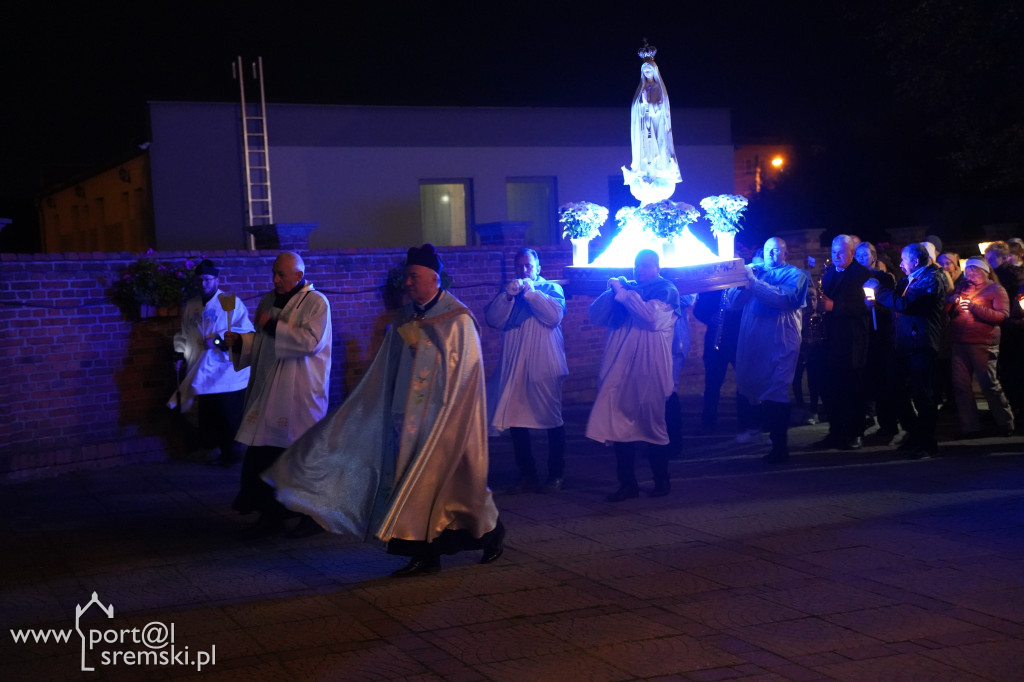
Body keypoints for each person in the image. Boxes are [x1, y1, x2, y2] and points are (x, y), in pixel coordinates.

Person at [264, 244, 504, 577]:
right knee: (421, 487)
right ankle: (430, 553)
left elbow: (466, 377)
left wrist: (427, 353)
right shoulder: (406, 316)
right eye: (407, 277)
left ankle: (482, 538)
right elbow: (388, 367)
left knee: (452, 487)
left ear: (434, 278)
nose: (408, 283)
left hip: (443, 421)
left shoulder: (457, 320)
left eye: (415, 277)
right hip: (405, 418)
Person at [224, 251, 332, 539]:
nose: (275, 279)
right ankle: (270, 514)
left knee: (297, 457)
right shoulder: (269, 301)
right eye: (274, 273)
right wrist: (240, 342)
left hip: (299, 393)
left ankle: (311, 515)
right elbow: (262, 342)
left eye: (281, 274)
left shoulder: (316, 303)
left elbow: (310, 342)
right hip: (271, 391)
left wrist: (271, 325)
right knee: (264, 456)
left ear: (299, 275)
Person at [586, 249, 680, 501]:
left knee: (653, 424)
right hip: (621, 367)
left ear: (657, 267)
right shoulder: (626, 291)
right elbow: (595, 314)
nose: (641, 269)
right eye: (637, 264)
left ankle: (661, 479)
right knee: (619, 425)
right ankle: (628, 484)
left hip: (650, 367)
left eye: (647, 265)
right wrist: (612, 291)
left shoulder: (666, 290)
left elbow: (650, 318)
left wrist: (624, 293)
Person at [485, 248, 568, 493]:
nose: (524, 270)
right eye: (519, 266)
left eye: (528, 266)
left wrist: (531, 294)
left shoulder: (551, 289)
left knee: (551, 417)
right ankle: (527, 473)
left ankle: (556, 474)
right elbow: (493, 320)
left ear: (538, 268)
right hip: (514, 365)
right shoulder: (509, 292)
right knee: (515, 418)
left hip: (543, 364)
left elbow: (553, 317)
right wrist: (506, 298)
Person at [169, 259, 254, 466]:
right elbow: (185, 332)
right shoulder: (192, 305)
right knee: (209, 414)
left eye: (208, 280)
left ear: (216, 279)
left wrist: (218, 340)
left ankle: (232, 454)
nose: (204, 284)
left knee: (228, 415)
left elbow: (244, 330)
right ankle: (214, 450)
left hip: (226, 371)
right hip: (202, 369)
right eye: (200, 280)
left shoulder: (230, 301)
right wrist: (179, 352)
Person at [870, 242, 951, 458]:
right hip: (903, 344)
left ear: (915, 261)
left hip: (921, 344)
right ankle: (914, 433)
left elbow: (905, 304)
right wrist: (877, 301)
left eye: (904, 260)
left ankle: (926, 442)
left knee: (922, 394)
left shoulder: (932, 279)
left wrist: (878, 290)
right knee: (894, 389)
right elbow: (897, 305)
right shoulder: (910, 279)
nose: (901, 264)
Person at [733, 237, 809, 463]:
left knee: (777, 388)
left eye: (777, 251)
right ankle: (761, 429)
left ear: (785, 254)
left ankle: (779, 446)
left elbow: (784, 298)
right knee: (753, 386)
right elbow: (732, 304)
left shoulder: (797, 275)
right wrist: (739, 283)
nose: (772, 255)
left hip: (781, 340)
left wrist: (752, 282)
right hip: (755, 341)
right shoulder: (756, 272)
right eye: (768, 251)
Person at [947, 257, 1015, 437]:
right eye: (968, 270)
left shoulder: (996, 289)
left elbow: (1001, 316)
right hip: (960, 342)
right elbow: (947, 311)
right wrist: (952, 301)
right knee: (961, 386)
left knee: (989, 384)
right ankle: (970, 427)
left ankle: (1005, 422)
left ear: (985, 271)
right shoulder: (962, 287)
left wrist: (973, 307)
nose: (970, 273)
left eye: (975, 270)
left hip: (983, 342)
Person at [818, 234, 872, 450]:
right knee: (832, 389)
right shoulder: (829, 274)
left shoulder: (862, 274)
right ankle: (836, 432)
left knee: (853, 388)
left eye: (841, 252)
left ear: (851, 252)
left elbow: (866, 306)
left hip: (852, 339)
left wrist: (835, 307)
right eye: (833, 252)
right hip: (831, 340)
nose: (836, 256)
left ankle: (855, 432)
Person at [621, 43, 681, 204]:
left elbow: (662, 109)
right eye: (645, 71)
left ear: (654, 71)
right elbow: (635, 109)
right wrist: (641, 107)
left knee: (658, 149)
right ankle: (644, 173)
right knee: (644, 150)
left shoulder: (658, 88)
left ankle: (657, 171)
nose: (647, 73)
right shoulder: (641, 89)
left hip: (656, 126)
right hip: (643, 128)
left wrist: (650, 106)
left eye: (649, 70)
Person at [855, 242, 897, 439]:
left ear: (873, 256)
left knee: (883, 381)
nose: (862, 257)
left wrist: (874, 307)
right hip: (861, 334)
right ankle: (863, 419)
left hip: (880, 334)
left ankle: (888, 425)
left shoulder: (884, 278)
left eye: (866, 254)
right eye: (858, 254)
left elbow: (892, 306)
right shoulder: (854, 278)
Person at [985, 241, 1024, 417]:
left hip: (1009, 327)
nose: (988, 261)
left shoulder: (1004, 276)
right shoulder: (1012, 273)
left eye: (990, 258)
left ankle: (1014, 404)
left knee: (1009, 368)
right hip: (1012, 326)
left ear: (1000, 258)